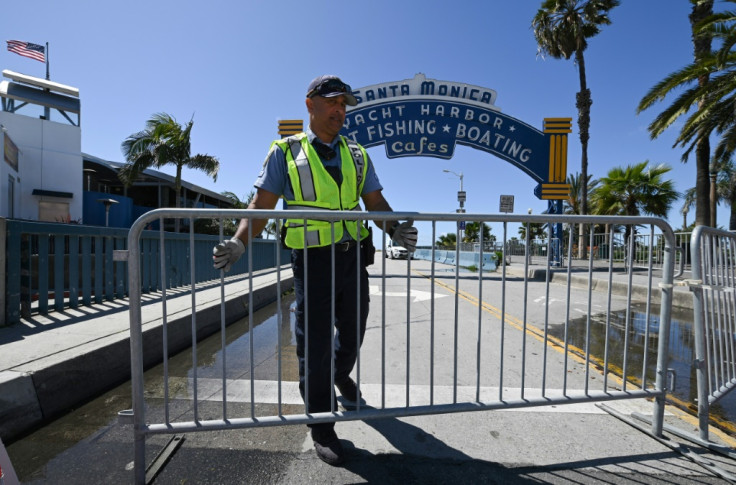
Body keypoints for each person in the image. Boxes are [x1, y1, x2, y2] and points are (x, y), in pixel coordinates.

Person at [212, 74, 417, 465]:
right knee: (315, 342)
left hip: (354, 256)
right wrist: (240, 241)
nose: (341, 110)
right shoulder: (285, 152)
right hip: (313, 260)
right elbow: (261, 206)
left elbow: (375, 203)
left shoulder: (358, 154)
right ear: (311, 104)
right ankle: (321, 424)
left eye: (345, 104)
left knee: (354, 329)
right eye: (335, 102)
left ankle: (341, 374)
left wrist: (396, 229)